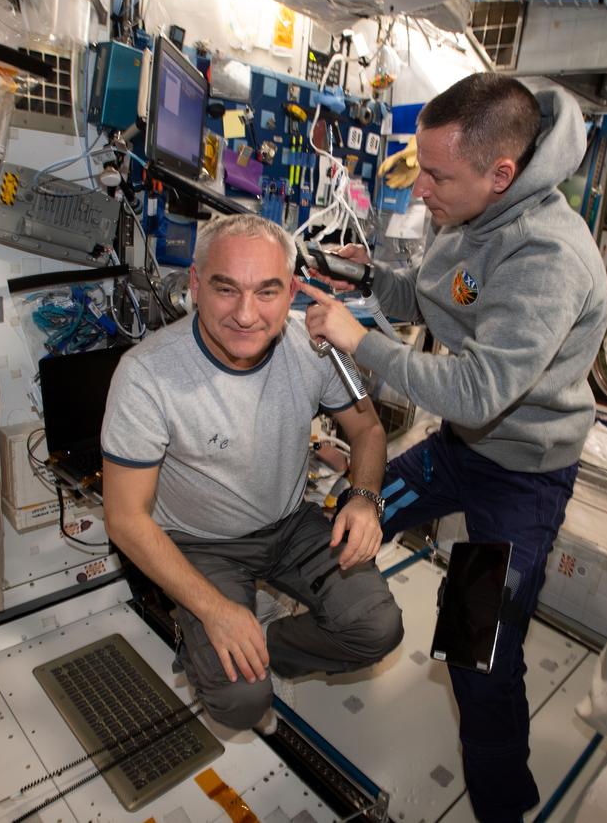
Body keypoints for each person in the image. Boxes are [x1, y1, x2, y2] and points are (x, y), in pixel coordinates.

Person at [301, 74, 607, 822]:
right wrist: (367, 278)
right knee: (349, 513)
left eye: (436, 175)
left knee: (475, 653)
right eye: (421, 168)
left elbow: (476, 389)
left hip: (521, 479)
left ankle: (505, 806)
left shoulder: (548, 256)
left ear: (500, 173)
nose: (423, 190)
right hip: (463, 450)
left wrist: (360, 339)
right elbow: (436, 296)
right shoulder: (469, 212)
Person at [101, 214, 403, 731]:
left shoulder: (313, 347)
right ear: (195, 286)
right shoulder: (146, 374)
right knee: (241, 702)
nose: (246, 314)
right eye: (225, 289)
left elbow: (369, 431)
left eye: (267, 292)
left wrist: (363, 498)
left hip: (289, 526)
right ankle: (207, 638)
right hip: (201, 543)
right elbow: (126, 519)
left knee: (377, 628)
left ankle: (267, 647)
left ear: (291, 293)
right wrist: (212, 610)